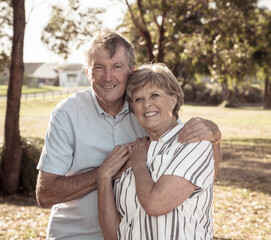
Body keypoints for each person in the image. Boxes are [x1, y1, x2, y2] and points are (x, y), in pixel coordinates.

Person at [36, 29, 221, 239]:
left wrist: (214, 137)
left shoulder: (148, 115)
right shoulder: (66, 114)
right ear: (88, 72)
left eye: (117, 66)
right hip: (75, 233)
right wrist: (106, 172)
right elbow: (45, 195)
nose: (108, 76)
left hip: (128, 231)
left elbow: (198, 167)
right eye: (98, 67)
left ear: (130, 71)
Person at [98, 63, 216, 240]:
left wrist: (138, 163)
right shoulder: (133, 151)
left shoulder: (195, 143)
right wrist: (103, 177)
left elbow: (154, 204)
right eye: (138, 99)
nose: (147, 104)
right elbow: (113, 235)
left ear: (173, 99)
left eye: (155, 95)